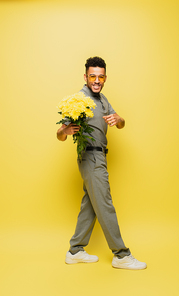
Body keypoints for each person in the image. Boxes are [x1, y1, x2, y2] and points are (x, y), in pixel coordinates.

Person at [57, 56, 147, 270]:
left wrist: (119, 120)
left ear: (105, 77)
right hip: (90, 157)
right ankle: (121, 254)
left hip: (101, 156)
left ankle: (75, 250)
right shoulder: (79, 100)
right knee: (105, 205)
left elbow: (120, 122)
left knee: (91, 205)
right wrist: (65, 131)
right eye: (92, 76)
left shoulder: (103, 99)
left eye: (100, 76)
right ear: (85, 77)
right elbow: (60, 134)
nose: (97, 80)